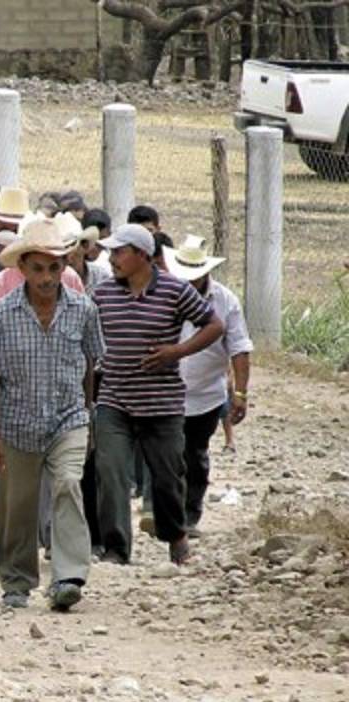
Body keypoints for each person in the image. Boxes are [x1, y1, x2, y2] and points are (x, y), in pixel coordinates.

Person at [0, 217, 104, 610]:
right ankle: (16, 580)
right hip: (17, 423)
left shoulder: (83, 309)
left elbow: (90, 364)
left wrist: (88, 415)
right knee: (18, 505)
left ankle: (68, 576)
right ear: (23, 269)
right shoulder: (1, 314)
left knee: (66, 484)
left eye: (54, 267)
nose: (47, 277)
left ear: (64, 268)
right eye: (38, 268)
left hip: (68, 419)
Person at [92, 224, 224, 566]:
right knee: (111, 471)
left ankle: (175, 536)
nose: (112, 259)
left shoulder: (174, 291)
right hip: (114, 398)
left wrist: (177, 352)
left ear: (142, 255)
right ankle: (116, 547)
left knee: (167, 475)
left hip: (161, 401)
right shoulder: (103, 294)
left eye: (119, 252)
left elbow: (214, 325)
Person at [163, 236, 252, 536]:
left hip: (206, 395)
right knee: (168, 455)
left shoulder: (225, 301)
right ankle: (169, 516)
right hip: (165, 391)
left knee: (195, 454)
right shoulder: (164, 294)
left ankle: (190, 514)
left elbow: (239, 347)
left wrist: (239, 393)